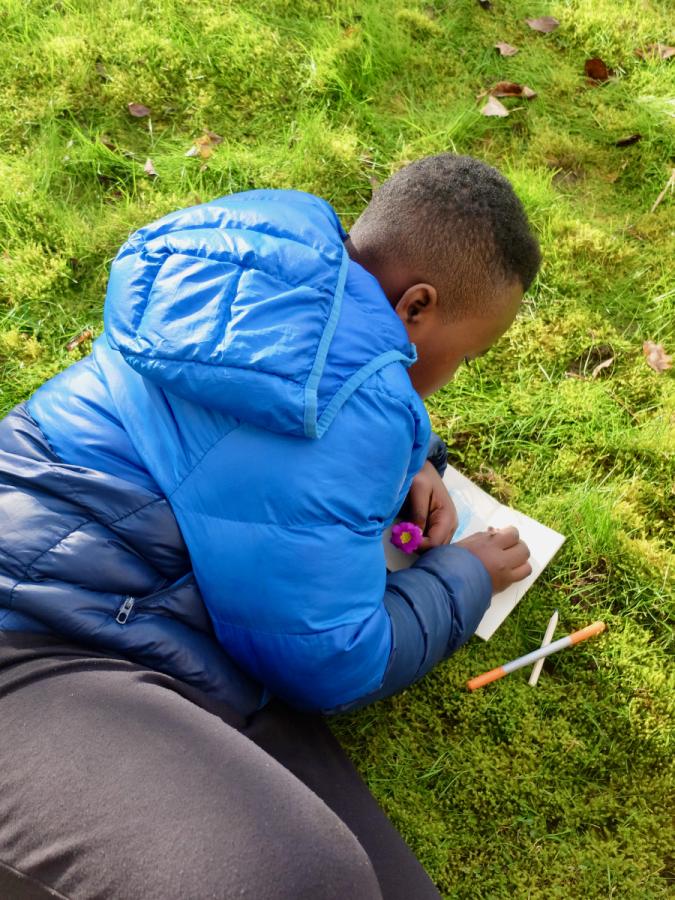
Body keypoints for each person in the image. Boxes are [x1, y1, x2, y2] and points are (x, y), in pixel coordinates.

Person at [0, 154, 540, 898]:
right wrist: (465, 576)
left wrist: (407, 458)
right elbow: (334, 661)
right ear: (415, 306)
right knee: (304, 880)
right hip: (36, 635)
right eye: (466, 354)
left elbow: (269, 426)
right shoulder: (354, 408)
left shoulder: (253, 278)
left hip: (146, 619)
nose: (449, 376)